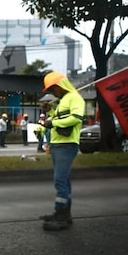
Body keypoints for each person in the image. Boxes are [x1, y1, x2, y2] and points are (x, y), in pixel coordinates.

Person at [39, 72, 84, 231]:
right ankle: (65, 214)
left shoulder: (75, 98)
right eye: (50, 90)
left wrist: (53, 122)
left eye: (53, 89)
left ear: (61, 85)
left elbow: (76, 118)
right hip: (58, 145)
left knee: (59, 180)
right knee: (64, 181)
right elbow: (60, 119)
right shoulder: (64, 100)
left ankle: (61, 216)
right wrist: (50, 111)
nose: (52, 92)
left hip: (67, 145)